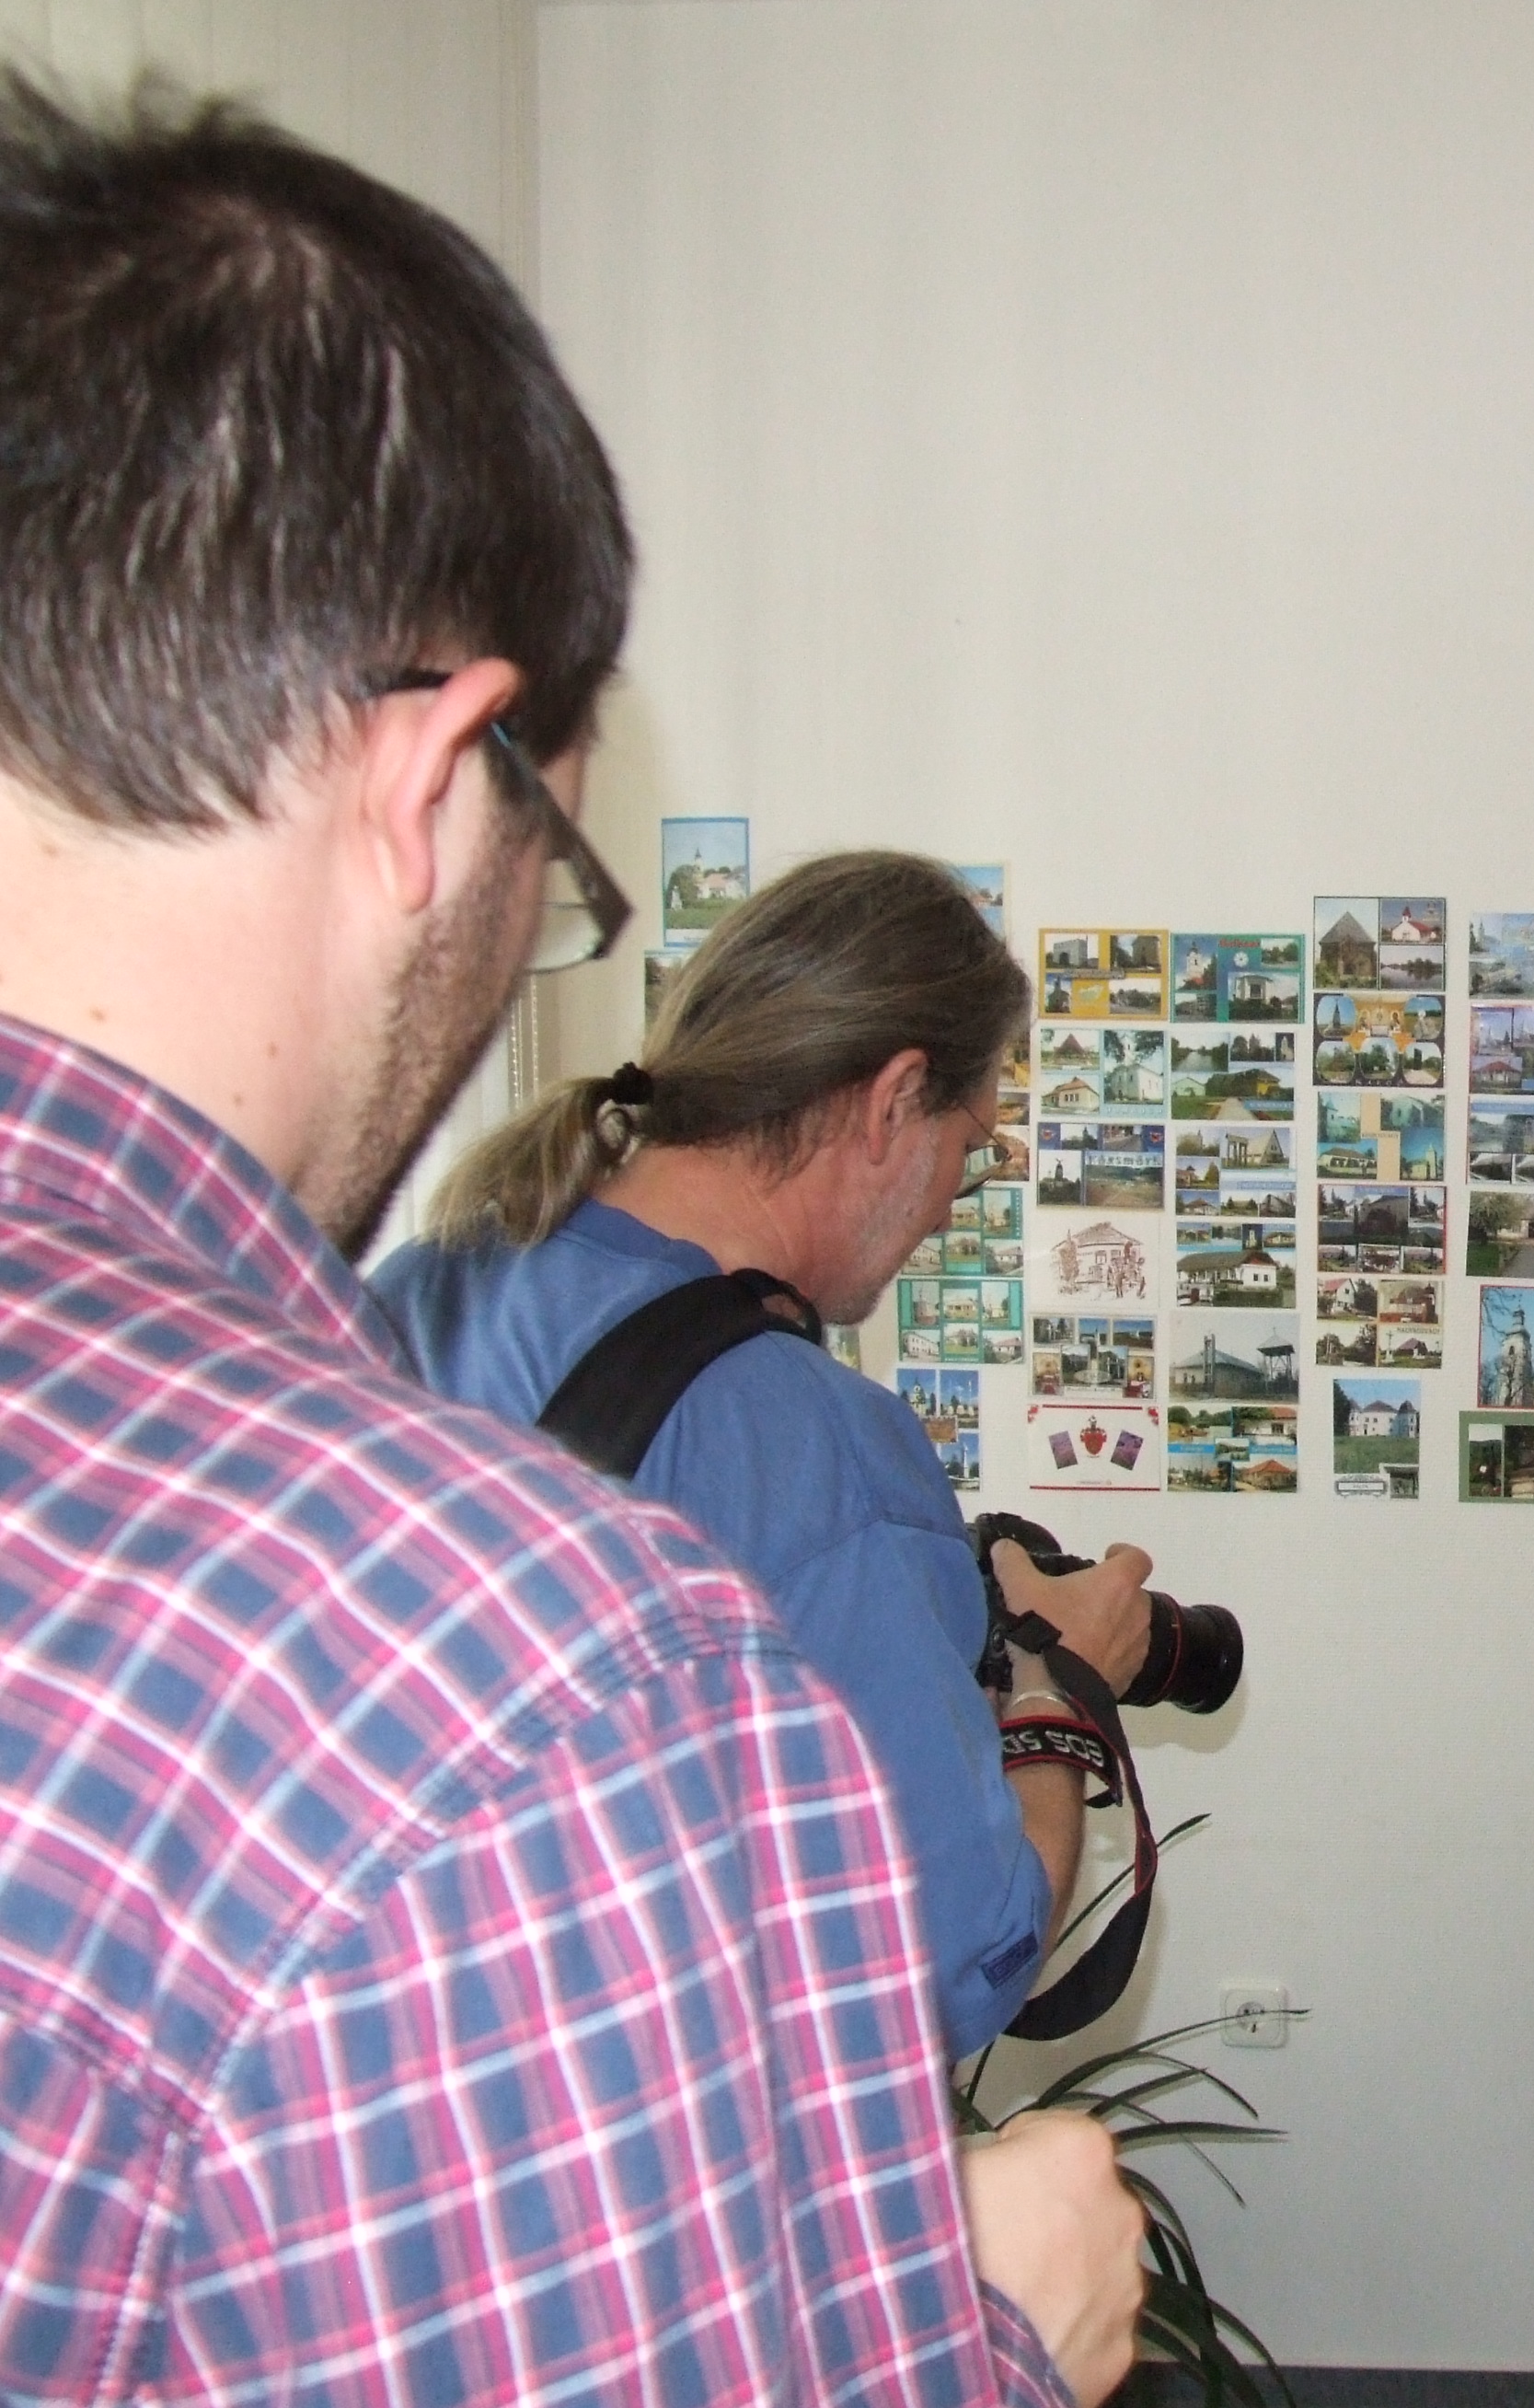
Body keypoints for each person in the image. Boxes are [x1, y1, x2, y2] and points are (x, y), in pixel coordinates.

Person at [0, 75, 1137, 2403]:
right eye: (557, 868)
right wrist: (1002, 2338)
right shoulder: (519, 1672)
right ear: (437, 785)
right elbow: (945, 1953)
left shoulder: (413, 1306)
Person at [374, 849, 1156, 2060]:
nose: (950, 1200)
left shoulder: (423, 1288)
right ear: (895, 1098)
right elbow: (950, 1964)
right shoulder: (822, 1445)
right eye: (970, 1145)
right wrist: (1065, 1695)